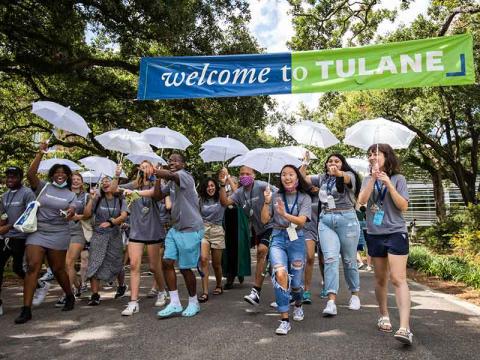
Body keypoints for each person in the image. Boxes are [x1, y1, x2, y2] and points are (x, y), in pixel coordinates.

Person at [15, 142, 77, 324]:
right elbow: (30, 174)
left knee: (58, 269)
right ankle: (26, 309)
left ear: (67, 177)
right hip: (38, 231)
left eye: (63, 173)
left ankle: (69, 295)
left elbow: (72, 210)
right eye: (57, 172)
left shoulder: (71, 195)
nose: (60, 175)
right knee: (32, 266)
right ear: (52, 175)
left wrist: (70, 213)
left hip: (59, 232)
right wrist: (40, 153)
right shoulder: (42, 187)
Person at [358, 143, 413, 345]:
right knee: (381, 279)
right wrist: (373, 178)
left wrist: (388, 184)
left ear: (386, 156)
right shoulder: (367, 179)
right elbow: (361, 202)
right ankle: (384, 314)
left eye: (376, 153)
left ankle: (405, 328)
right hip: (375, 233)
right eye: (370, 154)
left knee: (398, 278)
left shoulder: (399, 179)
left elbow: (403, 206)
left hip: (396, 232)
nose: (372, 156)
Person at [304, 153, 361, 317]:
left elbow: (347, 179)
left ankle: (355, 295)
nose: (333, 163)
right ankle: (331, 301)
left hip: (347, 219)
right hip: (326, 220)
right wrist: (305, 163)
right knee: (329, 259)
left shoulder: (349, 175)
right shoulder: (322, 178)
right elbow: (301, 178)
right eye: (330, 161)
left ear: (343, 164)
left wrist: (338, 173)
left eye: (337, 161)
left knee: (349, 259)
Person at [113, 160, 170, 316]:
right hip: (136, 231)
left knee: (154, 266)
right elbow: (113, 189)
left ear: (152, 169)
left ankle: (162, 291)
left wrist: (156, 177)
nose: (144, 169)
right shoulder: (133, 185)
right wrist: (117, 175)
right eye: (142, 166)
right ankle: (133, 302)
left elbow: (156, 194)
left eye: (147, 166)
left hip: (153, 230)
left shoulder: (158, 184)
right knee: (134, 265)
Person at [151, 153, 204, 318]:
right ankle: (174, 303)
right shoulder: (172, 182)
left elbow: (172, 175)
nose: (171, 162)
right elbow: (158, 195)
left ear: (183, 164)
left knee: (185, 268)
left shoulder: (185, 176)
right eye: (169, 160)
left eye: (175, 160)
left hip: (190, 229)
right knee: (166, 262)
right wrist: (158, 178)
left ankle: (193, 302)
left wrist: (160, 172)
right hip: (176, 229)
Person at [261, 165, 311, 335]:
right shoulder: (275, 195)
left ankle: (297, 304)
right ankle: (284, 319)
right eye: (284, 174)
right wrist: (267, 203)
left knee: (296, 284)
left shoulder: (304, 197)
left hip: (296, 238)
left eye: (291, 174)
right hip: (278, 237)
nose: (287, 177)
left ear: (297, 178)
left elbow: (302, 222)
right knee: (280, 274)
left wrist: (284, 214)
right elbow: (264, 219)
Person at [219, 166, 274, 306]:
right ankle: (287, 291)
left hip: (274, 226)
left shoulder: (262, 185)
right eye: (241, 174)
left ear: (254, 175)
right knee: (271, 260)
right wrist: (221, 184)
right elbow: (224, 202)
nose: (244, 176)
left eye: (247, 174)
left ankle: (255, 291)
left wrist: (270, 201)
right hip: (259, 229)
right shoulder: (239, 193)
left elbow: (282, 194)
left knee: (261, 251)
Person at [83, 176, 128, 306]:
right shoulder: (97, 199)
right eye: (103, 181)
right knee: (94, 262)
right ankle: (95, 295)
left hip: (114, 235)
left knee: (117, 263)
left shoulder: (120, 199)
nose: (105, 183)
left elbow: (124, 215)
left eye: (108, 180)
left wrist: (111, 222)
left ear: (114, 183)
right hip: (98, 235)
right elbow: (86, 214)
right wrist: (91, 199)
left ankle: (121, 286)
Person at [0, 167, 36, 316]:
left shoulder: (27, 193)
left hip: (21, 237)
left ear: (20, 178)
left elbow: (32, 213)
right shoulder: (4, 196)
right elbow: (2, 215)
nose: (10, 179)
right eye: (8, 177)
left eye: (14, 177)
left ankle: (37, 284)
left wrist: (13, 226)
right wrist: (3, 225)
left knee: (18, 269)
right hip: (5, 237)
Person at [55, 172, 89, 307]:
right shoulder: (63, 194)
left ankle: (66, 294)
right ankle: (78, 286)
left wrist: (77, 217)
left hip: (78, 232)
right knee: (64, 265)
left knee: (69, 263)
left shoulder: (86, 196)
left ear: (82, 182)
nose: (75, 181)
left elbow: (89, 215)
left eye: (78, 179)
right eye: (73, 179)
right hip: (62, 232)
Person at [198, 178, 226, 302]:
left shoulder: (221, 198)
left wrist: (225, 181)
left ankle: (219, 284)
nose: (210, 188)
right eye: (208, 186)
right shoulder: (200, 200)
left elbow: (232, 195)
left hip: (217, 231)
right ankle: (204, 292)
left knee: (216, 264)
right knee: (203, 260)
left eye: (212, 185)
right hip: (204, 230)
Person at [222, 176, 251, 289]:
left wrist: (228, 177)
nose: (230, 185)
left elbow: (236, 194)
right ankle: (230, 276)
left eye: (233, 183)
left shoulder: (241, 194)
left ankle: (239, 272)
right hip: (228, 229)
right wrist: (223, 184)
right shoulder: (226, 195)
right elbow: (223, 202)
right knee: (228, 252)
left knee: (239, 251)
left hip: (240, 228)